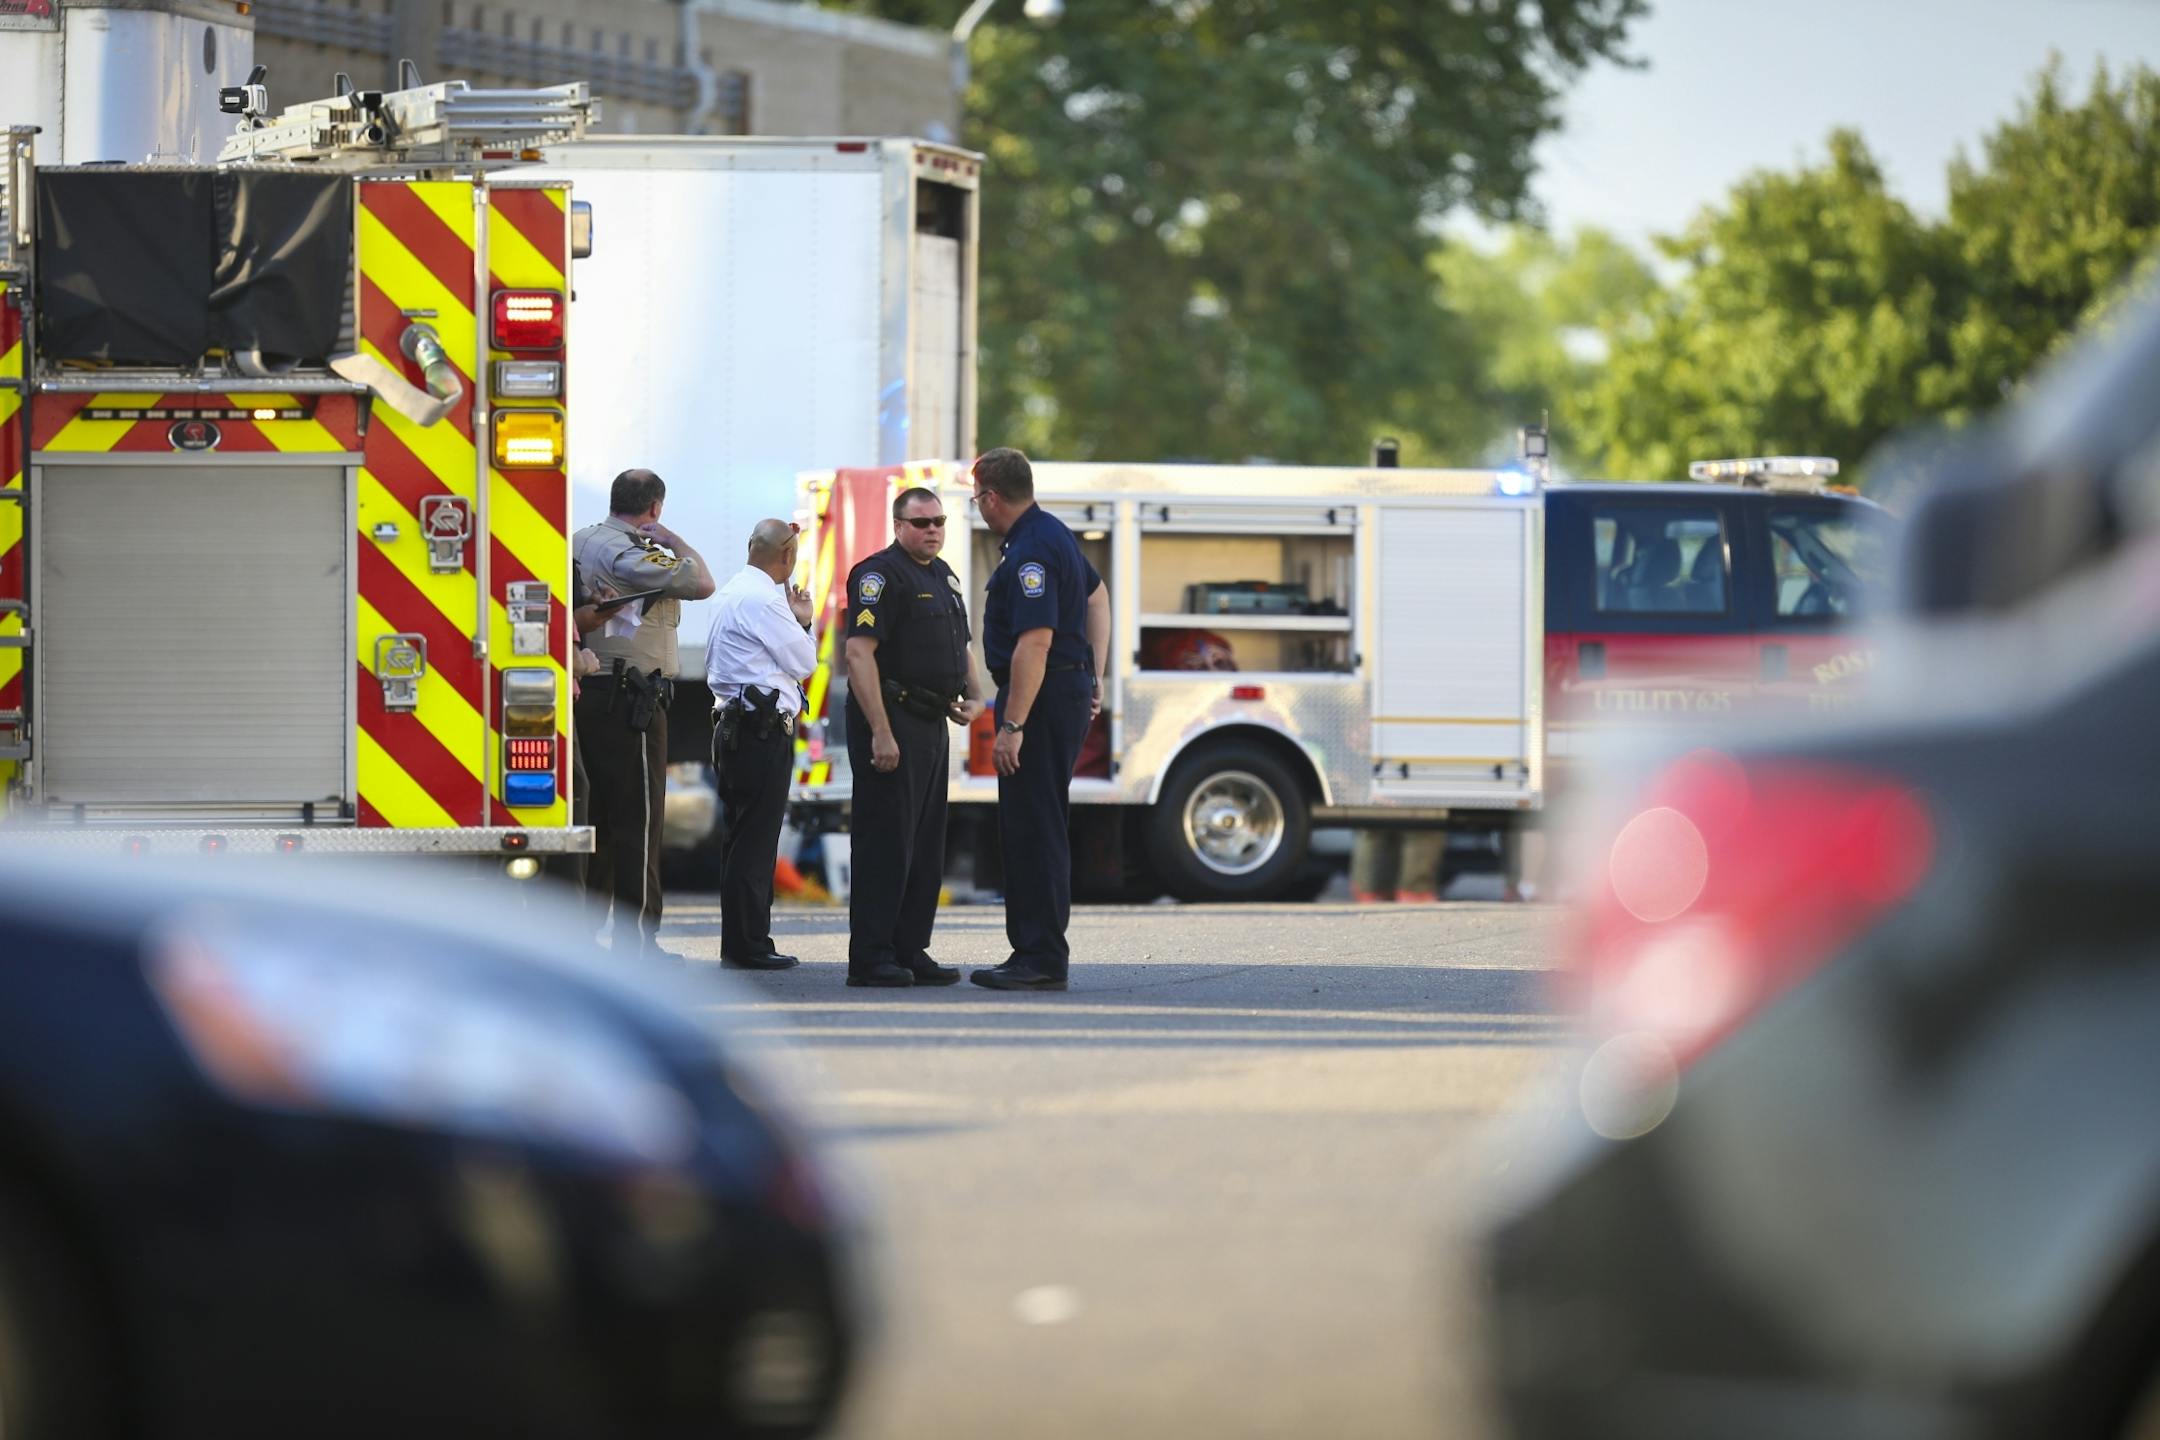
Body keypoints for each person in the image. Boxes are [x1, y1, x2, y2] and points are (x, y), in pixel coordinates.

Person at [969, 448, 1110, 992]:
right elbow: (1097, 599)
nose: (978, 506)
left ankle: (1040, 956)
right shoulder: (1053, 534)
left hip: (1042, 695)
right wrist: (1093, 674)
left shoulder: (1031, 548)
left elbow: (1035, 641)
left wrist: (1012, 726)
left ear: (991, 498)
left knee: (1034, 827)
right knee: (1038, 821)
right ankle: (1034, 949)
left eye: (977, 497)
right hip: (1062, 688)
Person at [842, 486, 985, 988]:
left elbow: (960, 643)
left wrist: (975, 691)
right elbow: (859, 654)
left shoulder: (943, 575)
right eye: (921, 522)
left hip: (930, 720)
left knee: (925, 842)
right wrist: (880, 732)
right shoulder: (879, 575)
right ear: (898, 525)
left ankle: (909, 947)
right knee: (887, 840)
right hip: (892, 717)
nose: (932, 530)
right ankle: (872, 955)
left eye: (938, 521)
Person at [572, 468, 715, 953]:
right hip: (631, 700)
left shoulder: (581, 540)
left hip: (592, 692)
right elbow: (701, 582)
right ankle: (637, 943)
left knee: (601, 823)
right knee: (641, 820)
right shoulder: (635, 550)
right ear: (655, 507)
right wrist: (674, 539)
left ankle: (586, 936)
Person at [706, 518, 818, 970]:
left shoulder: (733, 590)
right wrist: (802, 621)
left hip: (736, 727)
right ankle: (749, 945)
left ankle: (742, 940)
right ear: (788, 557)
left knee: (740, 838)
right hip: (760, 730)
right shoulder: (764, 602)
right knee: (756, 841)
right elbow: (804, 660)